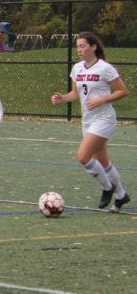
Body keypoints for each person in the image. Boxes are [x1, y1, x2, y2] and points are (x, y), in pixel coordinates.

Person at [51, 31, 130, 212]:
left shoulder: (104, 68)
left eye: (83, 46)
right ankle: (121, 195)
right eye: (77, 46)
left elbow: (123, 91)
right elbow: (75, 94)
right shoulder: (77, 68)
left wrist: (101, 100)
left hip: (104, 119)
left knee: (83, 156)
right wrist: (62, 98)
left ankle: (108, 188)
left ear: (93, 47)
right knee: (103, 162)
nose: (79, 49)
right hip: (88, 121)